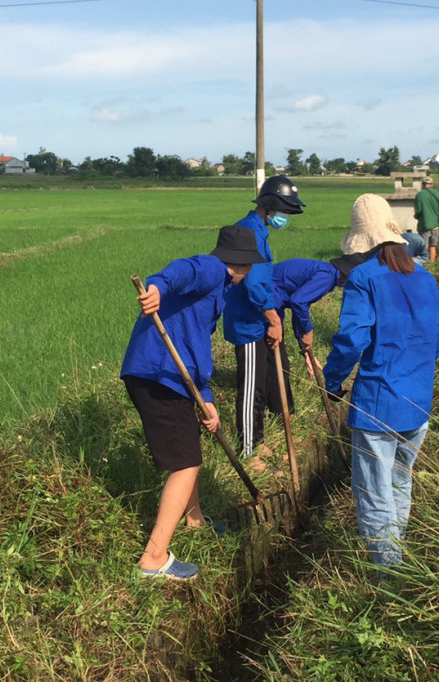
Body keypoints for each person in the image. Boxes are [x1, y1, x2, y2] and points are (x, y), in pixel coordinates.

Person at [121, 225, 266, 580]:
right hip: (158, 375)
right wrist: (155, 287)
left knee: (191, 449)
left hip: (173, 377)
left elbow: (195, 345)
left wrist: (206, 398)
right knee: (186, 464)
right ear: (242, 264)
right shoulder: (213, 269)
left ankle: (195, 519)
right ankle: (153, 558)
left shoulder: (218, 290)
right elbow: (182, 270)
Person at [324, 194, 439, 569]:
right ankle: (399, 561)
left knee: (374, 493)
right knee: (399, 483)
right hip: (418, 402)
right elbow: (437, 331)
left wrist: (332, 379)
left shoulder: (363, 278)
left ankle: (387, 579)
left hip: (378, 403)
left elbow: (353, 338)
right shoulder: (424, 277)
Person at [223, 175, 305, 461]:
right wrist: (273, 318)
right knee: (251, 387)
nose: (286, 217)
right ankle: (248, 450)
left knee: (269, 375)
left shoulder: (258, 229)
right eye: (284, 211)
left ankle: (259, 438)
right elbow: (254, 283)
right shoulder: (250, 232)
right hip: (249, 322)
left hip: (258, 318)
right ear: (270, 206)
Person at [272, 253, 367, 381]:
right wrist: (308, 330)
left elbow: (298, 306)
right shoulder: (327, 277)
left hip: (274, 304)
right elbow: (298, 302)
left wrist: (304, 346)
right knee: (274, 362)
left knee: (279, 363)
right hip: (266, 304)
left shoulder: (327, 272)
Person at [413, 175, 439, 262]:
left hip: (424, 224)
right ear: (432, 184)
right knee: (433, 245)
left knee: (423, 246)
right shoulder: (437, 194)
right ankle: (432, 263)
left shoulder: (420, 195)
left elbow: (418, 211)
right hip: (435, 224)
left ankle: (424, 264)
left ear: (423, 184)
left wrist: (416, 216)